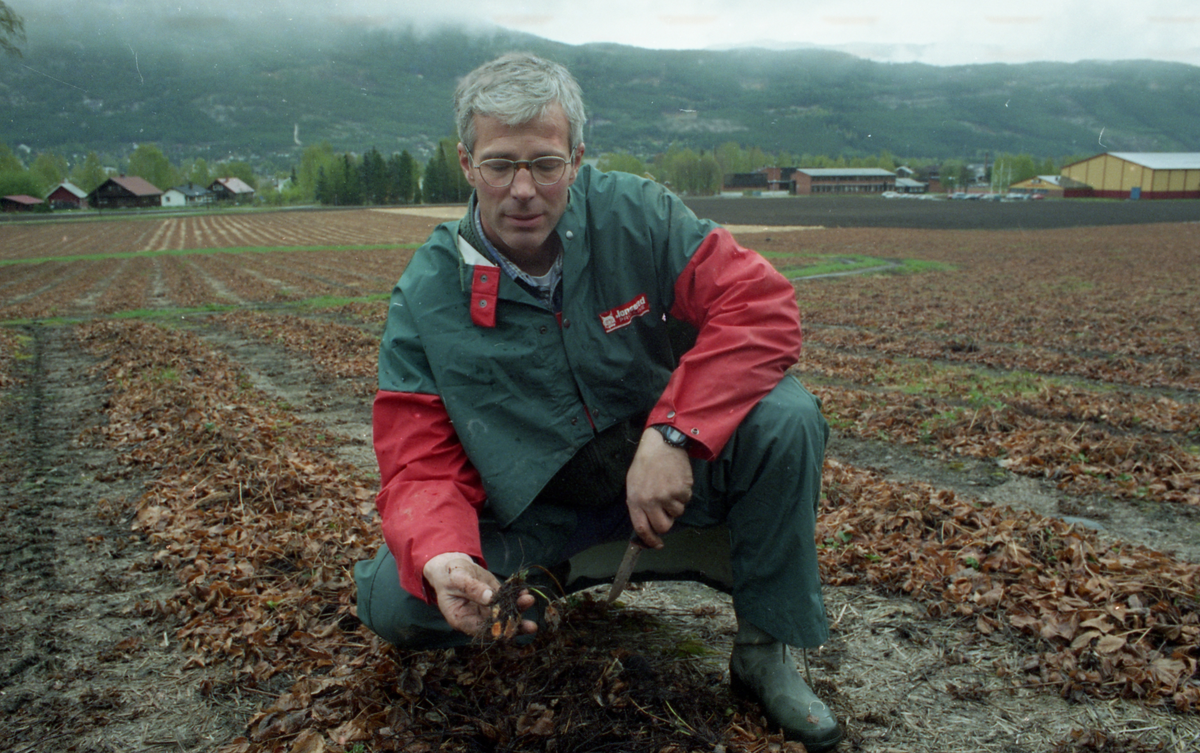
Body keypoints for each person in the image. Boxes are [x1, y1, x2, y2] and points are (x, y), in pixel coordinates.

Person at [353, 52, 842, 751]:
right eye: (499, 164)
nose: (523, 189)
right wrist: (442, 556)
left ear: (577, 158)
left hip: (666, 482)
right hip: (543, 514)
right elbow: (418, 460)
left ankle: (764, 649)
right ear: (466, 164)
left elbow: (759, 304)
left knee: (787, 417)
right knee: (396, 598)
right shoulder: (428, 294)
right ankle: (554, 573)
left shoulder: (635, 216)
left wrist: (675, 433)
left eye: (545, 164)